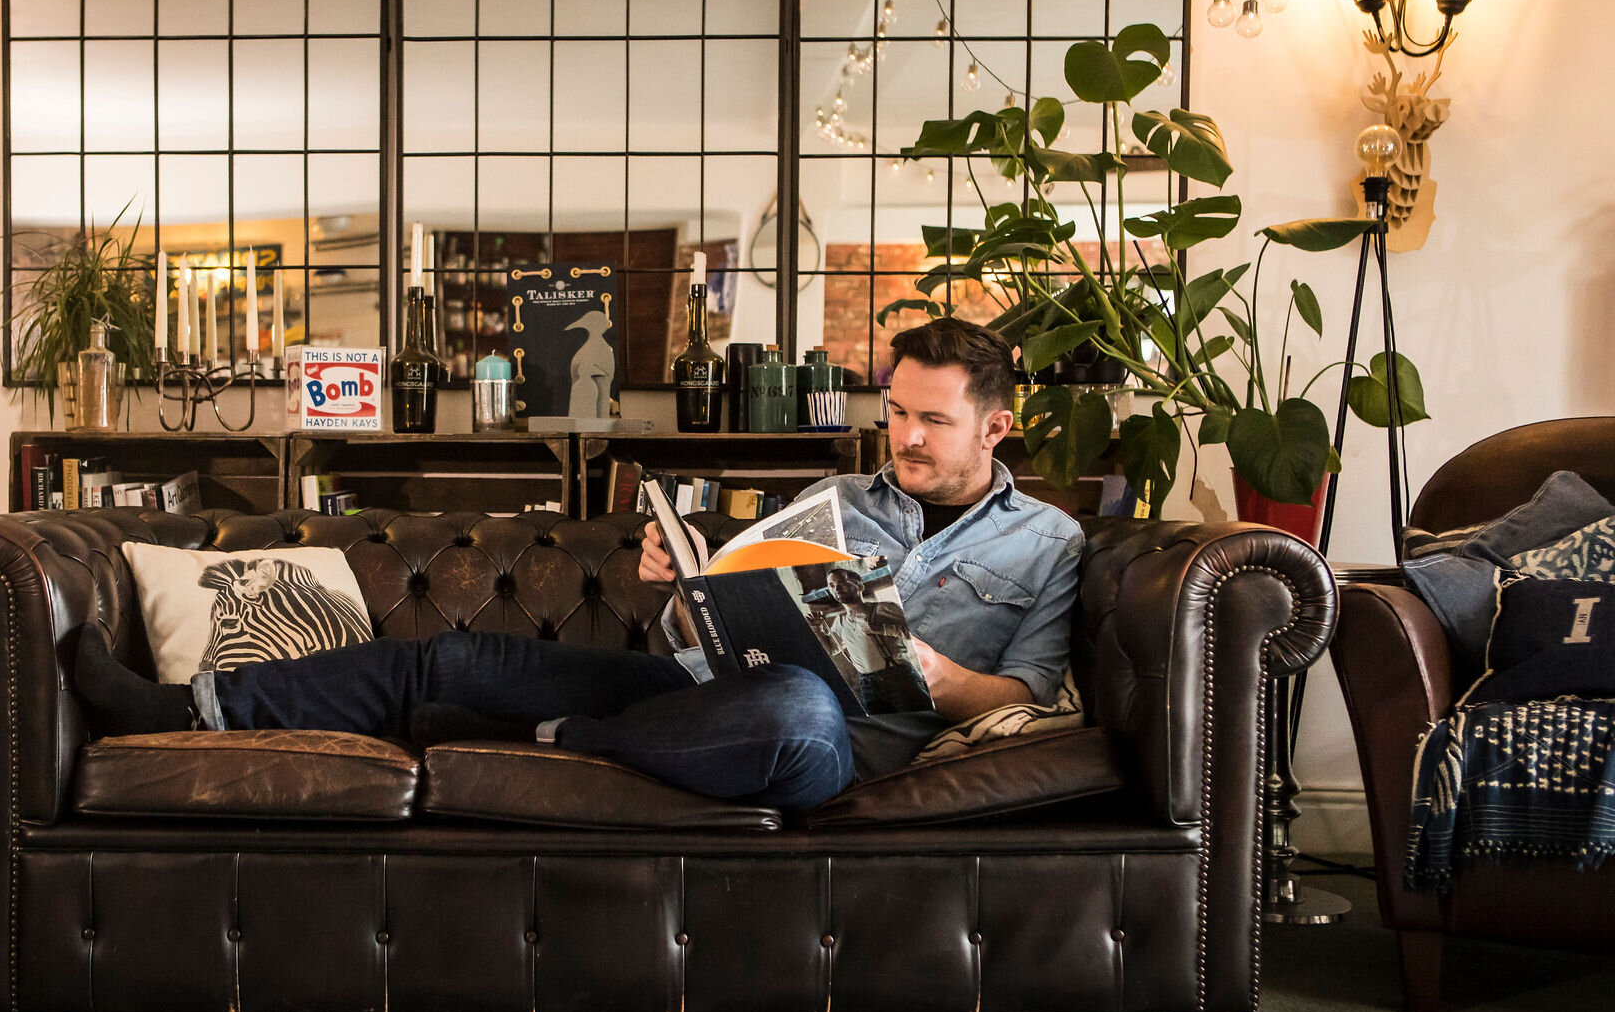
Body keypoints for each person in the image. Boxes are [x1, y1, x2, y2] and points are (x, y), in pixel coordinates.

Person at [74, 317, 1082, 815]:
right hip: (701, 693)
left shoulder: (1046, 545)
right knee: (452, 658)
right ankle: (178, 711)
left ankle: (574, 736)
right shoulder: (837, 503)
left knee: (796, 711)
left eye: (931, 422)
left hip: (838, 743)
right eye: (895, 412)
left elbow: (1025, 696)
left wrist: (930, 671)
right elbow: (710, 634)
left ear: (995, 426)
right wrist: (686, 594)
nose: (902, 438)